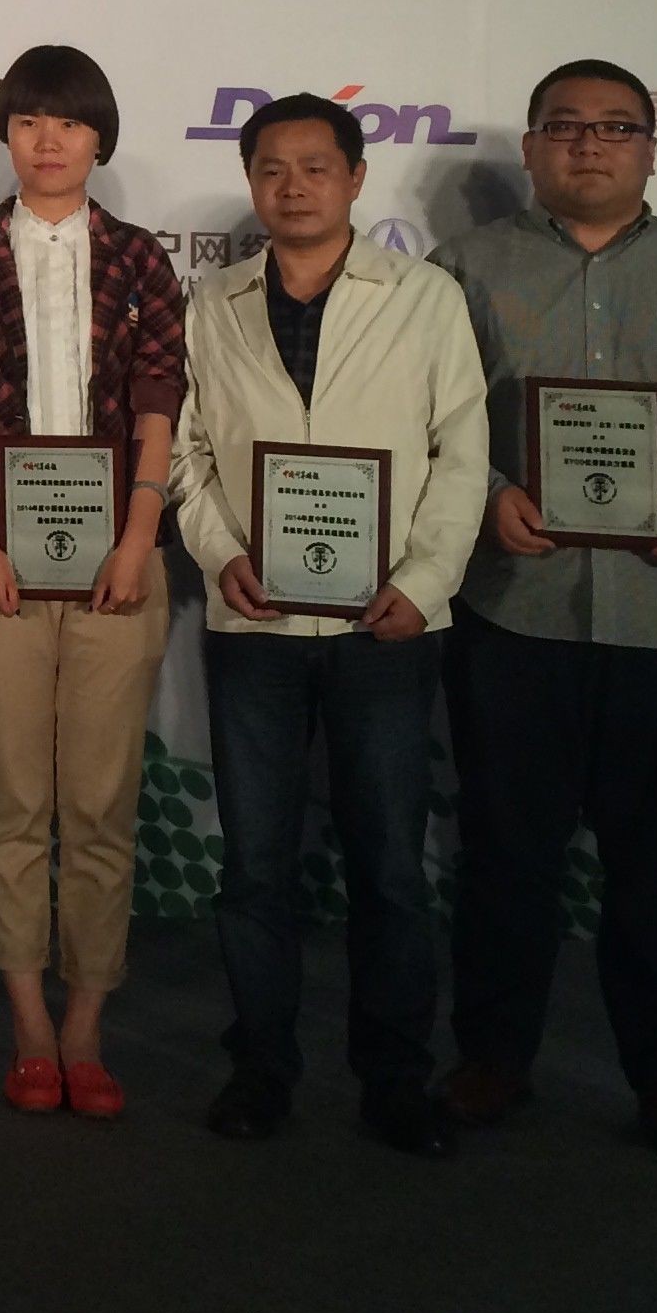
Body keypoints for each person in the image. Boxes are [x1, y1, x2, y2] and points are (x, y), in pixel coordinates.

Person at [433, 58, 657, 1165]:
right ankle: (495, 1058)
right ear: (533, 149)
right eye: (565, 126)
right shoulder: (462, 272)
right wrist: (487, 492)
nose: (589, 145)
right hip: (516, 612)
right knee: (505, 853)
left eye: (615, 127)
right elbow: (419, 411)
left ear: (651, 149)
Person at [174, 93, 487, 1155]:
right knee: (255, 865)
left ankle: (394, 1077)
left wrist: (428, 581)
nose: (293, 186)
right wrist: (221, 553)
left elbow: (462, 452)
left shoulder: (425, 297)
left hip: (385, 625)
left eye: (316, 166)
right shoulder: (211, 300)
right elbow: (187, 454)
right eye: (271, 168)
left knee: (389, 864)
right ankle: (261, 1067)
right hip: (254, 624)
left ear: (357, 178)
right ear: (251, 182)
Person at [0, 44, 184, 1119]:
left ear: (99, 137)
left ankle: (87, 1023)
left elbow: (159, 403)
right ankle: (29, 1019)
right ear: (7, 134)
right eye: (28, 121)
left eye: (69, 122)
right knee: (15, 799)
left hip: (123, 562)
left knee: (101, 804)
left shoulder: (140, 259)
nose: (48, 141)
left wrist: (138, 538)